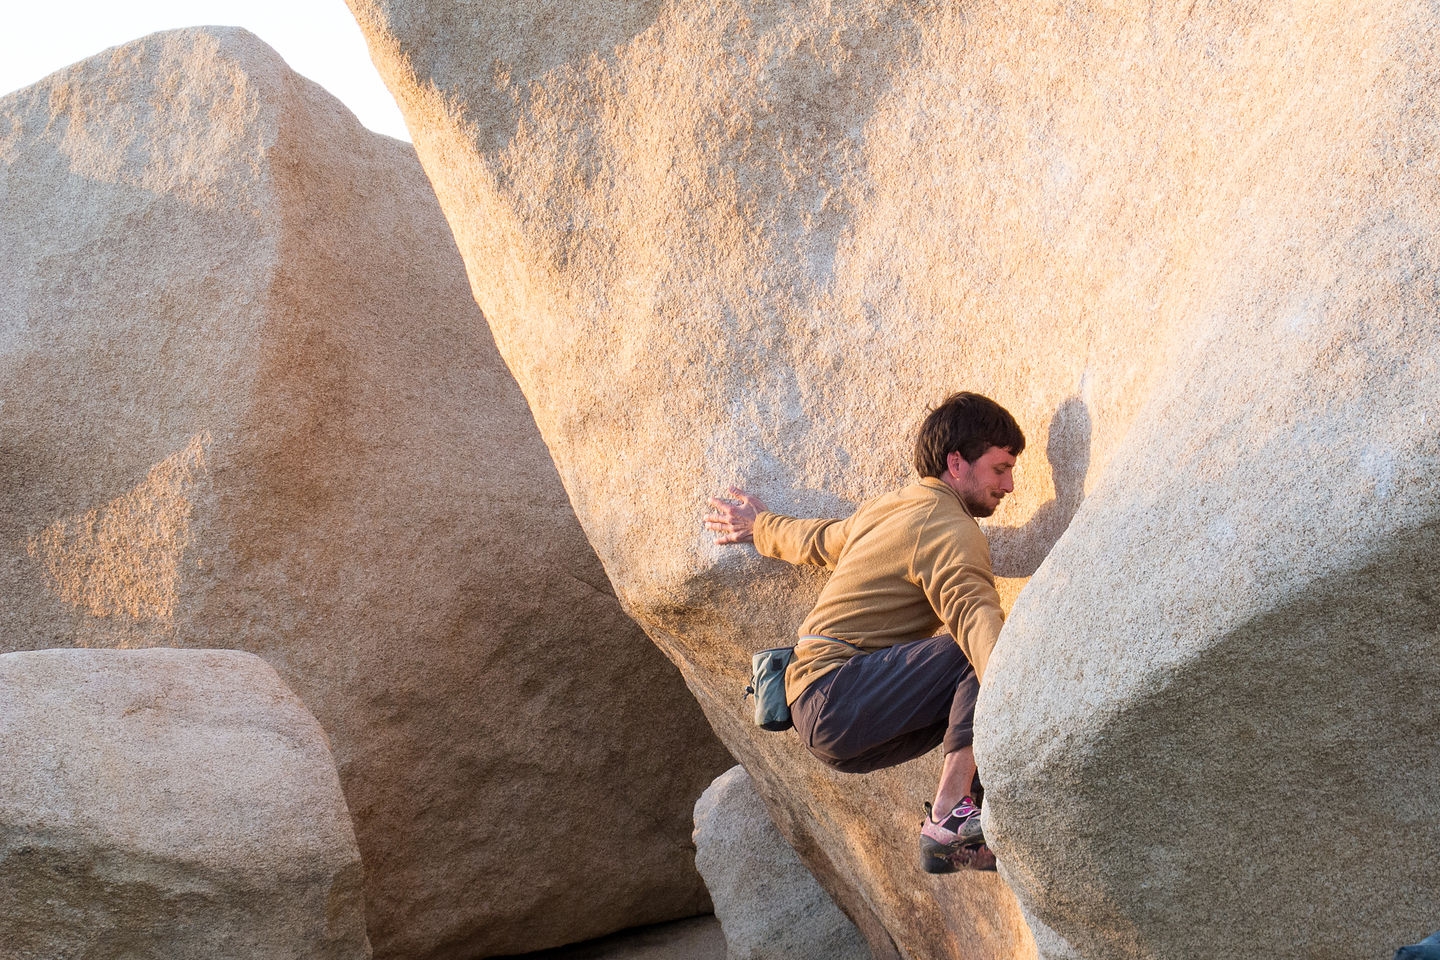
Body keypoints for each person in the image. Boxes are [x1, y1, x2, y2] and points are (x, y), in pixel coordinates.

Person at [704, 391, 1023, 873]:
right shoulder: (950, 527)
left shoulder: (888, 509)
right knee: (978, 656)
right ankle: (948, 814)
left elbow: (817, 540)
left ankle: (974, 829)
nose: (1010, 485)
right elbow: (973, 613)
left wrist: (760, 526)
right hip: (837, 693)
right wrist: (1019, 691)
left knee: (972, 705)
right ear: (957, 463)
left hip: (824, 717)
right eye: (1000, 469)